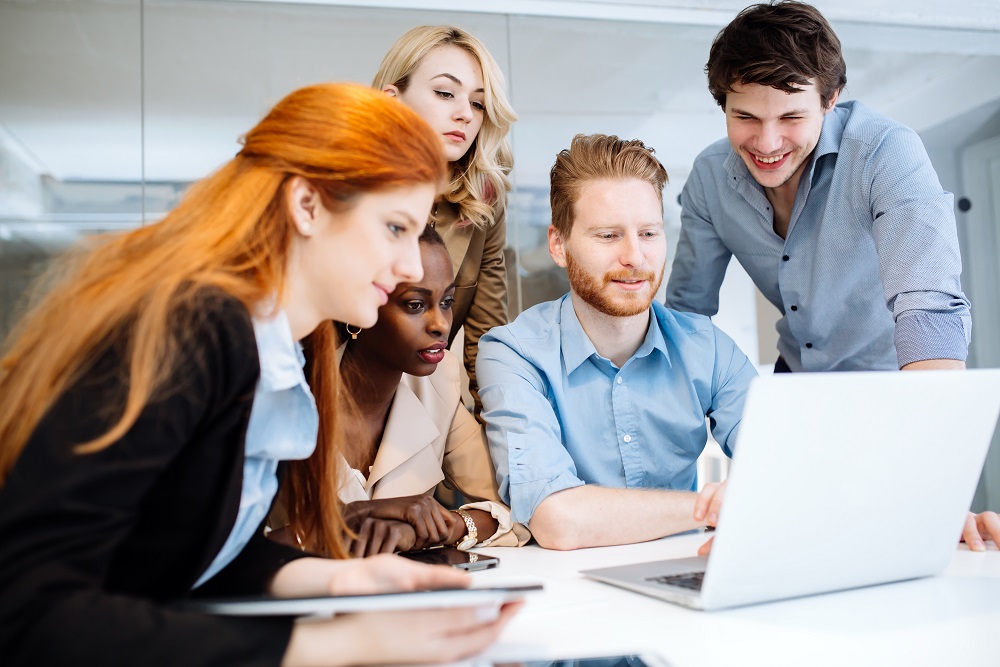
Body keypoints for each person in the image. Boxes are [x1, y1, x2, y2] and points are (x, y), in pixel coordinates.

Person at [0, 83, 521, 667]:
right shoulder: (190, 328)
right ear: (307, 206)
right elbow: (29, 611)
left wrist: (341, 582)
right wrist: (338, 644)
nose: (406, 266)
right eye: (395, 228)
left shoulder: (281, 347)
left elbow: (200, 555)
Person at [477, 134, 757, 551]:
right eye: (608, 236)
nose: (636, 257)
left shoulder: (708, 349)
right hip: (568, 596)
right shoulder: (515, 354)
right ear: (559, 244)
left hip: (683, 577)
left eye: (648, 233)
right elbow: (558, 520)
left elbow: (790, 470)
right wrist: (712, 506)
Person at [664, 1, 971, 374]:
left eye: (791, 116)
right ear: (723, 105)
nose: (767, 143)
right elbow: (688, 315)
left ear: (830, 100)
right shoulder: (709, 177)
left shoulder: (884, 152)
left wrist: (929, 413)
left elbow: (929, 302)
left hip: (894, 376)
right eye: (745, 117)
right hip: (795, 372)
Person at [276, 226, 530, 557]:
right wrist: (342, 523)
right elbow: (215, 546)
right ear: (358, 308)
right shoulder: (284, 393)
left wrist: (445, 527)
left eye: (447, 302)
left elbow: (518, 508)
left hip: (400, 594)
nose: (440, 324)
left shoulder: (439, 384)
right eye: (414, 304)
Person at [373, 25, 517, 417]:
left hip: (426, 402)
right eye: (444, 93)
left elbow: (486, 338)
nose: (464, 115)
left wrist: (496, 426)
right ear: (393, 100)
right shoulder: (351, 191)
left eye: (478, 103)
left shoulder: (485, 202)